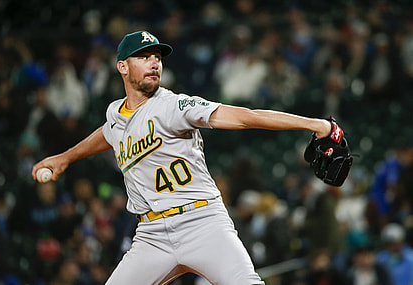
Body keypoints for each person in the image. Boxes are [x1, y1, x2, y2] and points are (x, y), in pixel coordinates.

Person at [32, 30, 332, 285]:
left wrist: (315, 124)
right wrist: (66, 158)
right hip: (151, 236)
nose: (154, 63)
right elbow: (108, 133)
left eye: (158, 58)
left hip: (202, 223)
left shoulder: (174, 106)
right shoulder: (115, 113)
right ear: (122, 67)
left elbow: (245, 117)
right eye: (144, 57)